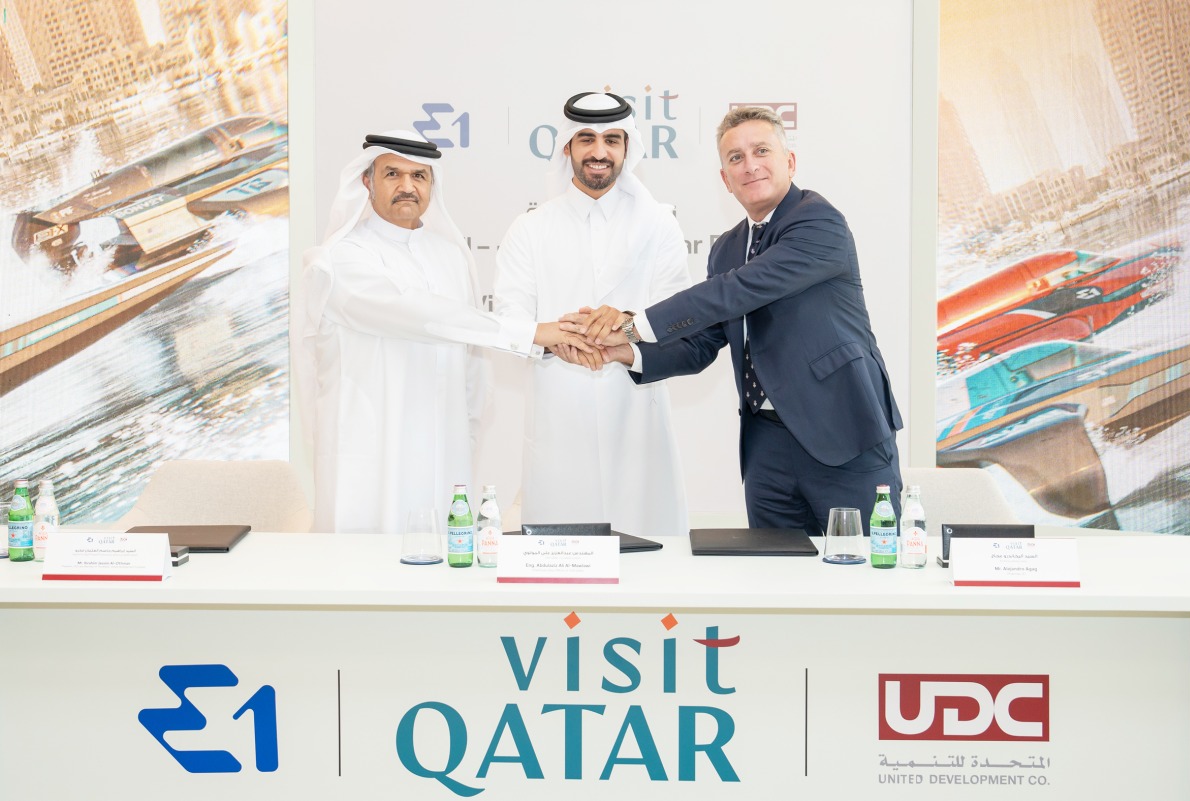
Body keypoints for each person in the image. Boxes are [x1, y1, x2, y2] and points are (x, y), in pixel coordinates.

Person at [567, 106, 903, 533]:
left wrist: (632, 324)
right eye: (735, 158)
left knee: (865, 568)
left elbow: (736, 291)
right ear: (725, 179)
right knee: (772, 571)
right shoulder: (727, 248)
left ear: (790, 161)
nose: (750, 165)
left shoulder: (818, 221)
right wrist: (627, 352)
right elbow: (702, 343)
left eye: (761, 150)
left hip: (843, 434)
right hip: (765, 449)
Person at [296, 130, 590, 534]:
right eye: (392, 174)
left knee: (443, 555)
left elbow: (472, 363)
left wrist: (465, 436)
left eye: (419, 176)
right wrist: (533, 333)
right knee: (364, 560)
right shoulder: (338, 259)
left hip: (442, 450)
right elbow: (419, 315)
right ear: (367, 181)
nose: (407, 186)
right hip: (369, 453)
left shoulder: (450, 256)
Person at [494, 92, 692, 537]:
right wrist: (555, 338)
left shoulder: (659, 224)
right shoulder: (530, 228)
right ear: (567, 147)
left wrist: (625, 325)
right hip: (559, 414)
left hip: (638, 412)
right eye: (587, 139)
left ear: (627, 148)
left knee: (648, 550)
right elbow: (510, 318)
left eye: (611, 140)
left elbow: (678, 313)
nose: (599, 152)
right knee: (562, 556)